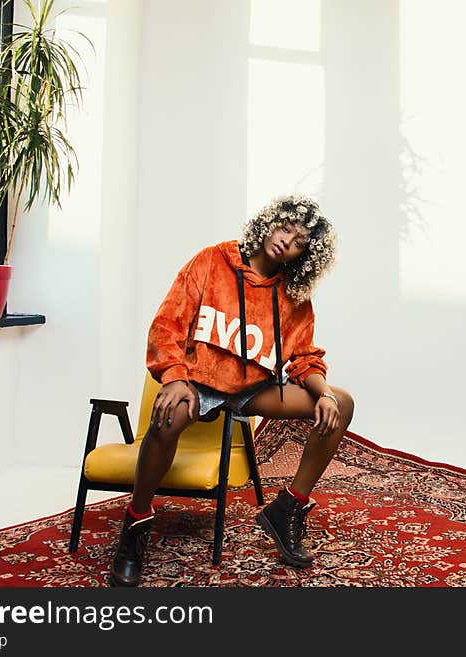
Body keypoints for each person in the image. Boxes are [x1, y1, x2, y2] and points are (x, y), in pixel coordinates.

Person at [110, 194, 355, 586]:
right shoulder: (212, 261)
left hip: (251, 386)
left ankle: (287, 508)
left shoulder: (293, 296)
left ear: (304, 255)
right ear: (270, 221)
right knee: (166, 418)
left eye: (298, 242)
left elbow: (305, 356)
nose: (286, 242)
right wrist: (174, 378)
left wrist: (322, 391)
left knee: (341, 403)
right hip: (198, 379)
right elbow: (165, 327)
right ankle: (136, 524)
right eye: (285, 228)